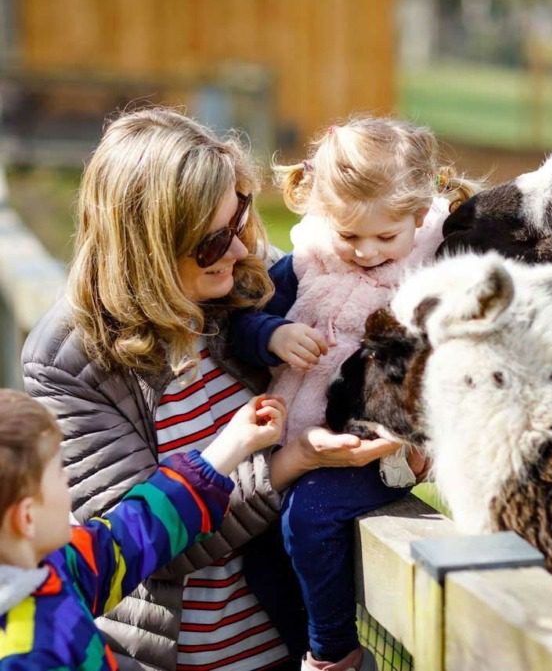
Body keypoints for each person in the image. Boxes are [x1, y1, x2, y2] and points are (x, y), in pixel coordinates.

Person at [22, 108, 400, 671]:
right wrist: (288, 463)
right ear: (148, 246)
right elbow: (139, 543)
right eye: (211, 240)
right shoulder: (71, 361)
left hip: (292, 643)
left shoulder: (256, 285)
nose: (239, 249)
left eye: (240, 216)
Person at [230, 118, 476, 671]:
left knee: (310, 517)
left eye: (385, 237)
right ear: (324, 216)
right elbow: (242, 327)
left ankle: (334, 652)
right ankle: (296, 645)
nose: (365, 252)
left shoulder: (434, 271)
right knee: (263, 558)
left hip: (382, 451)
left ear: (418, 216)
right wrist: (274, 335)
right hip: (302, 435)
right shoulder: (308, 264)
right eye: (350, 235)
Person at [0, 388, 285, 670]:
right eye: (57, 473)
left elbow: (133, 533)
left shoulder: (58, 563)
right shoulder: (26, 657)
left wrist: (233, 445)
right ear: (26, 518)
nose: (66, 480)